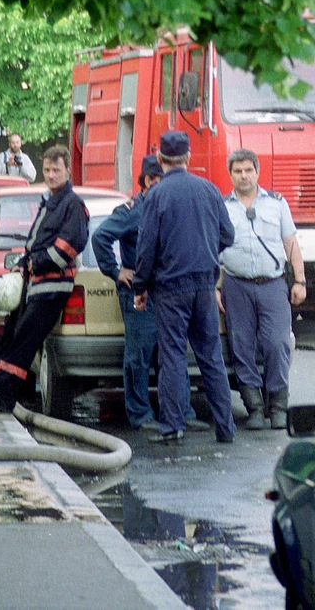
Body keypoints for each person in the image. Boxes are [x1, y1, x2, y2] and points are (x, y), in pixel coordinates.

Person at [0, 144, 88, 413]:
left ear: (68, 170)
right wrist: (23, 262)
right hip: (34, 285)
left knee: (23, 343)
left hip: (51, 288)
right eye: (47, 170)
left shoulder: (72, 205)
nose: (51, 175)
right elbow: (36, 243)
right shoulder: (49, 201)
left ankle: (1, 399)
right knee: (10, 336)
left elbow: (69, 247)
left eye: (56, 170)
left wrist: (36, 262)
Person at [91, 155, 210, 433]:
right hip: (140, 292)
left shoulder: (169, 205)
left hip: (169, 290)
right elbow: (100, 237)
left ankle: (182, 412)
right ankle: (140, 414)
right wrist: (116, 271)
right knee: (140, 355)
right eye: (160, 181)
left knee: (173, 353)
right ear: (147, 181)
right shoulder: (132, 211)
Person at [133, 131, 237, 444]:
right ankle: (226, 428)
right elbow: (228, 235)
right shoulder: (209, 189)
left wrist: (140, 286)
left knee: (173, 357)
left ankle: (172, 426)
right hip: (204, 284)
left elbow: (146, 246)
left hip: (169, 288)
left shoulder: (156, 195)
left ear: (160, 159)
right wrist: (206, 252)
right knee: (211, 357)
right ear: (188, 157)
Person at [218, 149, 306, 430]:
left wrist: (300, 281)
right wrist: (215, 288)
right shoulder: (222, 207)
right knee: (241, 346)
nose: (243, 176)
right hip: (236, 285)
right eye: (238, 171)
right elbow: (212, 250)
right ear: (230, 174)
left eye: (248, 170)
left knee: (277, 343)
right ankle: (254, 407)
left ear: (257, 172)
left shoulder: (276, 203)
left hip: (272, 285)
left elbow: (291, 243)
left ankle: (278, 406)